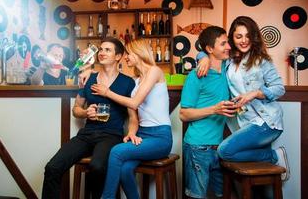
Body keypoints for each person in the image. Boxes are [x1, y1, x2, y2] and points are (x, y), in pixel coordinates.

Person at [41, 37, 136, 199]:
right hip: (87, 134)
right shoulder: (89, 79)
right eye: (101, 49)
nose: (102, 53)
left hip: (111, 135)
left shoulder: (127, 82)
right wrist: (85, 113)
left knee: (97, 166)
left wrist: (132, 133)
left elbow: (133, 115)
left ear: (118, 56)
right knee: (52, 167)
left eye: (108, 50)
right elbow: (76, 109)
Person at [197, 16, 290, 181]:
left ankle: (275, 156)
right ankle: (270, 159)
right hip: (244, 123)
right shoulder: (229, 59)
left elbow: (279, 89)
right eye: (238, 36)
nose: (244, 40)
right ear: (232, 37)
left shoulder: (262, 61)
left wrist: (254, 93)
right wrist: (202, 57)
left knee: (224, 151)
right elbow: (209, 49)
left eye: (248, 36)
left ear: (253, 36)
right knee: (255, 179)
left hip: (266, 122)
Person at [89, 38, 173, 199]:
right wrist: (132, 133)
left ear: (138, 52)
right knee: (125, 169)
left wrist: (107, 92)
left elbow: (134, 102)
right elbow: (133, 115)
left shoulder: (154, 71)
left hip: (161, 137)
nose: (125, 57)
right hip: (142, 136)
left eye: (128, 53)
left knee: (116, 151)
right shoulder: (135, 81)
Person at [180, 26, 237, 199]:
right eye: (223, 43)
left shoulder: (229, 69)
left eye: (228, 42)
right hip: (197, 147)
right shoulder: (197, 75)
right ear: (210, 49)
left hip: (220, 148)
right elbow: (183, 114)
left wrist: (202, 56)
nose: (228, 46)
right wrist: (214, 109)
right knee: (197, 196)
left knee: (222, 194)